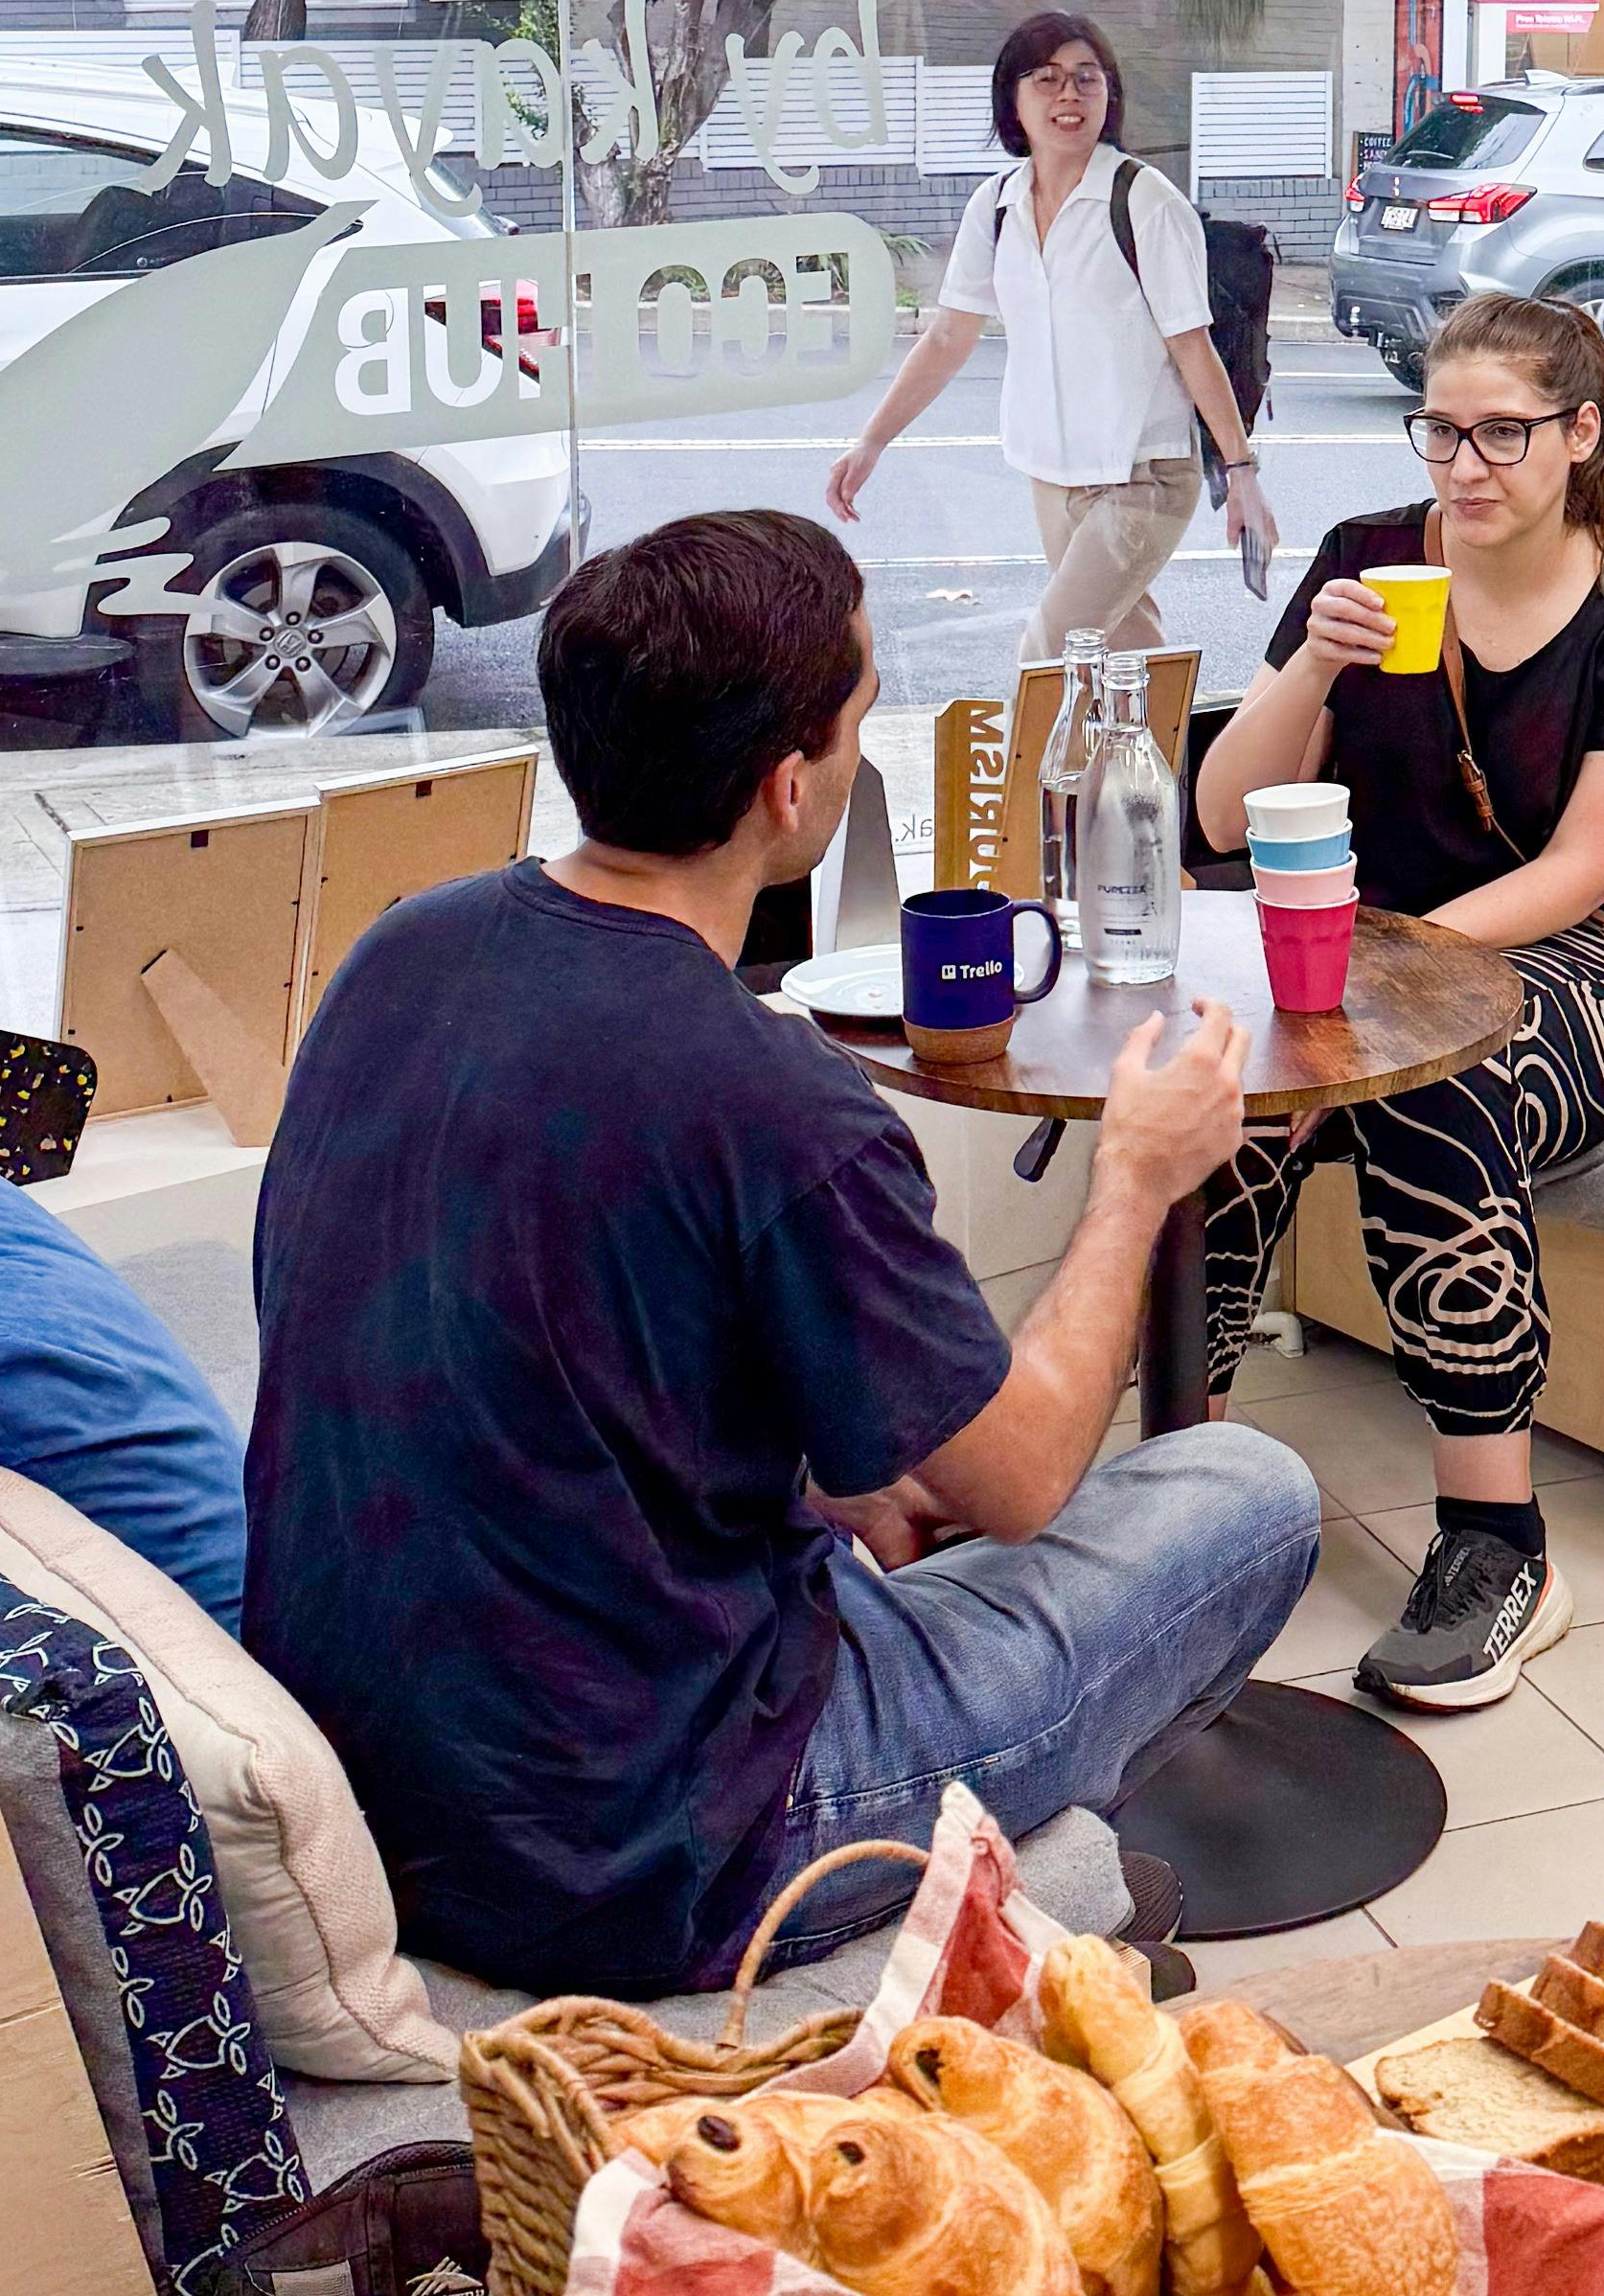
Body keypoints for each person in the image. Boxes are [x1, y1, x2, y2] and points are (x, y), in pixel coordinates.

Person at [243, 509, 1320, 1991]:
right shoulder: (769, 1092)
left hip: (399, 1785)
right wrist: (1135, 1177)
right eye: (862, 714)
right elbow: (1012, 1486)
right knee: (1250, 1491)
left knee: (876, 1503)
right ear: (789, 783)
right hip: (658, 1847)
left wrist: (818, 1478)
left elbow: (521, 1339)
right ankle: (1020, 1906)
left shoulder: (398, 952)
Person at [1192, 291, 1604, 1711]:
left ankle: (1497, 1543)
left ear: (1579, 433)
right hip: (1364, 951)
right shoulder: (1362, 563)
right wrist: (1314, 660)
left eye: (1502, 433)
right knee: (1208, 1089)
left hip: (1595, 955)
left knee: (1437, 1072)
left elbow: (1585, 864)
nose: (1465, 466)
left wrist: (1393, 978)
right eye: (1441, 431)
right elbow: (1226, 816)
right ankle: (1178, 1492)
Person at [827, 11, 1276, 654]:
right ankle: (1156, 758)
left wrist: (1242, 475)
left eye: (1085, 79)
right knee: (1122, 654)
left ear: (1108, 96)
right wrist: (871, 442)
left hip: (1143, 475)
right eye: (1046, 78)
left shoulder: (1143, 201)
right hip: (1052, 474)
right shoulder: (996, 205)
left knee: (1051, 650)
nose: (1069, 94)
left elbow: (1190, 344)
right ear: (1012, 98)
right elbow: (948, 337)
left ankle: (1030, 760)